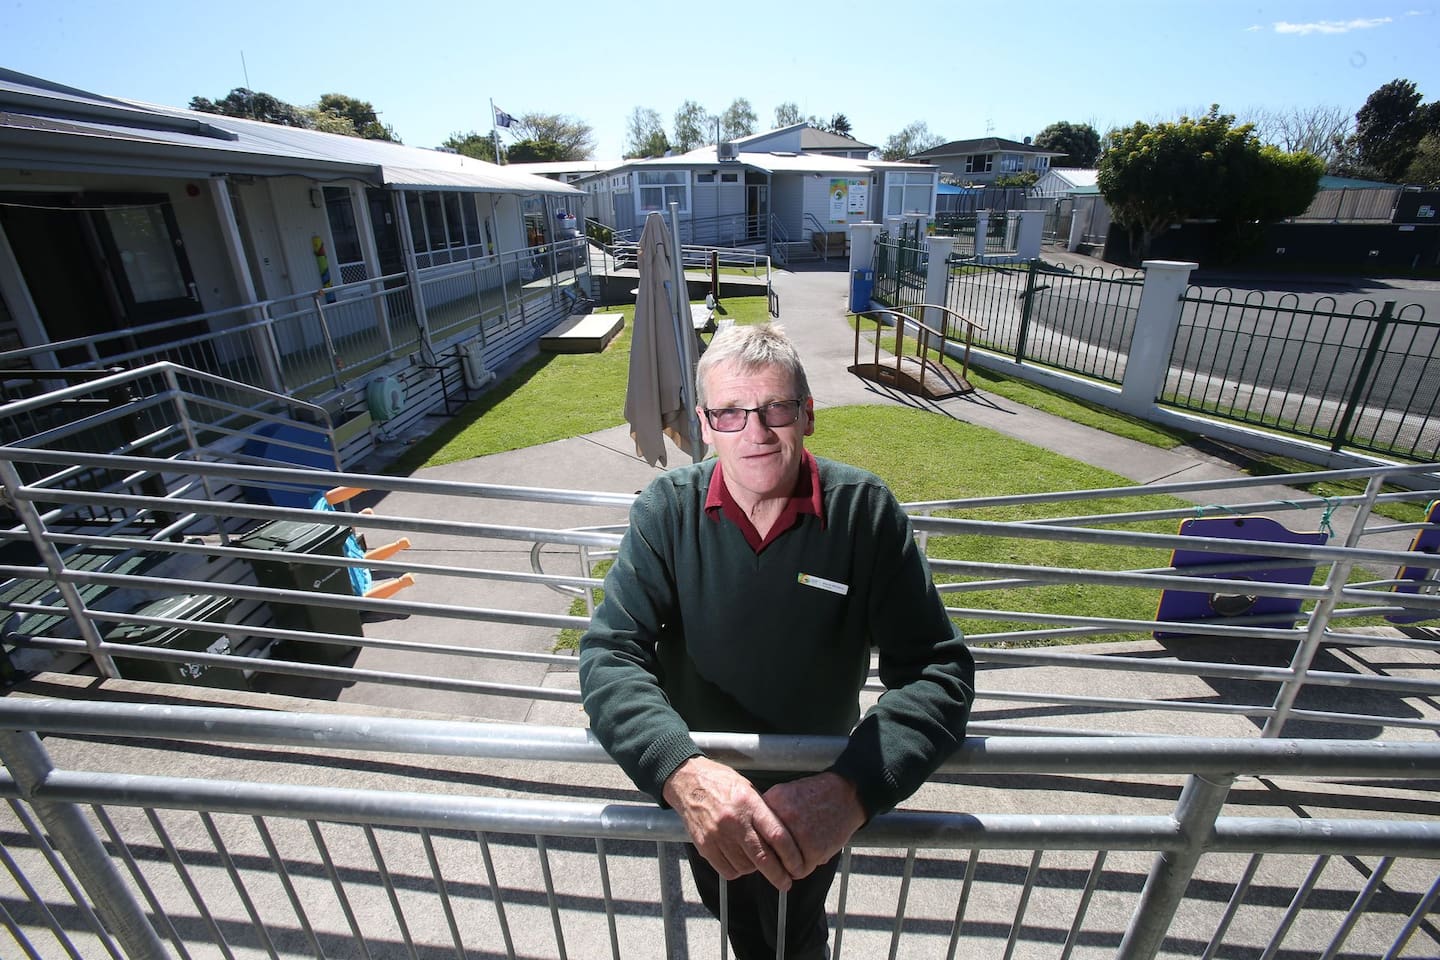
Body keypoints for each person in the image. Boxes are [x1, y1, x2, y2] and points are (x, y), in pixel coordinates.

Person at [579, 323, 974, 959]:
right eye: (731, 413)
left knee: (797, 933)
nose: (755, 433)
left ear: (808, 415)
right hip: (707, 791)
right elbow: (609, 654)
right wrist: (680, 772)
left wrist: (850, 790)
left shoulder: (864, 513)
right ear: (705, 425)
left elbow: (937, 670)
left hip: (817, 798)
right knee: (740, 923)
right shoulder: (666, 510)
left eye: (775, 408)